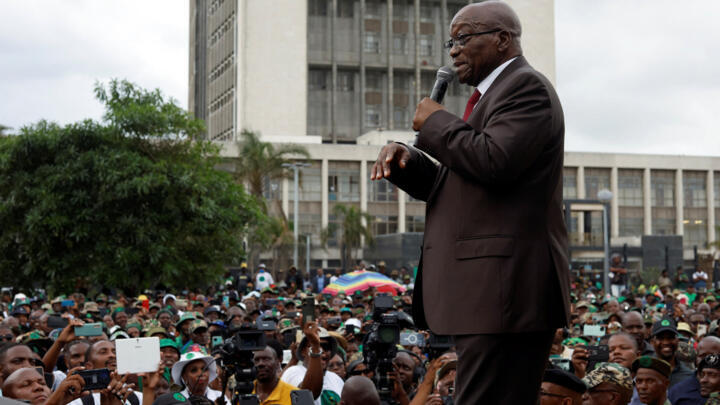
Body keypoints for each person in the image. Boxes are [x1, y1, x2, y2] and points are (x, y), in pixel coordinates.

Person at [370, 1, 568, 402]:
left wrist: (437, 121)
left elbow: (495, 162)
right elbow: (464, 184)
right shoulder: (486, 99)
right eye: (451, 41)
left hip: (504, 295)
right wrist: (411, 163)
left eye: (463, 38)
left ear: (502, 40)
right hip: (490, 298)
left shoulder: (525, 88)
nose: (453, 50)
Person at [281, 323, 343, 405]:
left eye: (326, 347)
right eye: (313, 346)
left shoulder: (336, 378)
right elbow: (308, 394)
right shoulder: (293, 372)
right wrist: (315, 350)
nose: (321, 351)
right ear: (303, 352)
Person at [668, 335, 720, 405]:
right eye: (703, 356)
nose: (706, 360)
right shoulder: (678, 392)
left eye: (712, 356)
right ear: (696, 359)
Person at [650, 318, 694, 387]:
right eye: (661, 338)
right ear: (652, 342)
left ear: (677, 341)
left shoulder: (688, 376)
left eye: (670, 338)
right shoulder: (645, 371)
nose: (666, 342)